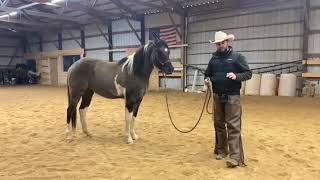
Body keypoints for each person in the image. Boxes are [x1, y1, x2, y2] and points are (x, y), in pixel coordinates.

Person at [204, 31, 252, 168]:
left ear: (227, 42)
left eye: (222, 43)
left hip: (232, 96)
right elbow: (207, 74)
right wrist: (207, 80)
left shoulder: (237, 58)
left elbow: (248, 74)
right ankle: (221, 150)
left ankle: (235, 157)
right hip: (216, 96)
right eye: (218, 44)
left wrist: (236, 76)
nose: (220, 45)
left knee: (233, 126)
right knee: (218, 124)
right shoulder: (213, 59)